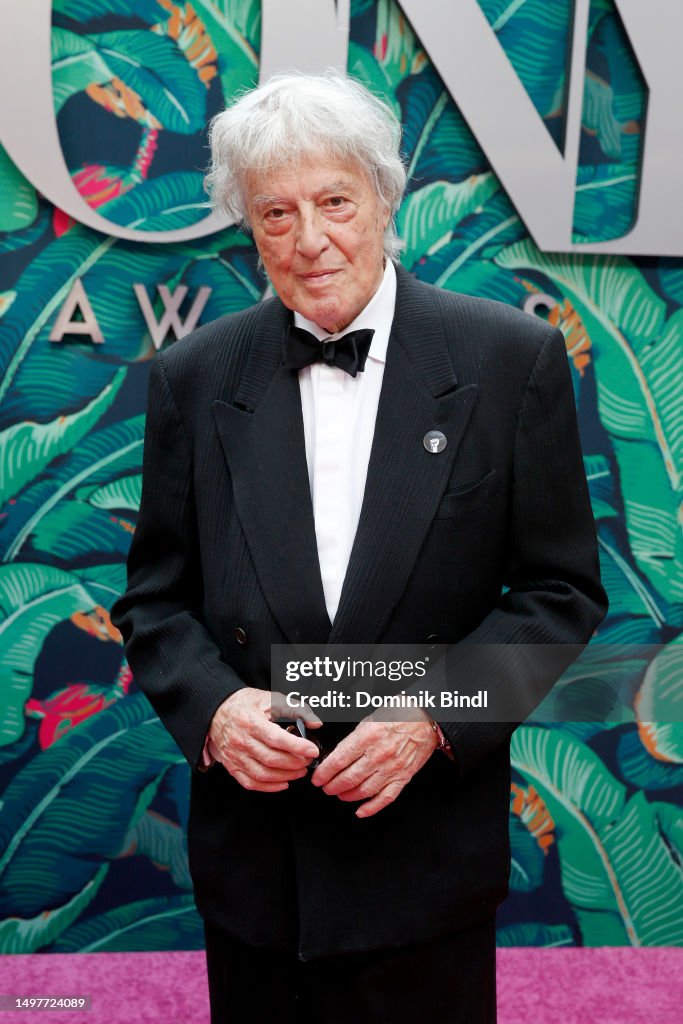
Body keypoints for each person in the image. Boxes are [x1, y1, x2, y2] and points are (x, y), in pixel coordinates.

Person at [111, 71, 607, 1023]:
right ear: (246, 229)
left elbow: (560, 596)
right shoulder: (192, 376)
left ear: (384, 197)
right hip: (259, 868)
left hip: (424, 864)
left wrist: (431, 714)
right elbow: (155, 600)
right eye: (275, 213)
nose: (309, 240)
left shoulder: (509, 360)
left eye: (335, 201)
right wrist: (216, 712)